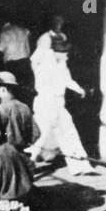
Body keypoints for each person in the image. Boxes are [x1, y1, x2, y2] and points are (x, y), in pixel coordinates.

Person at [29, 33, 89, 167]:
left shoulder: (62, 64)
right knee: (40, 136)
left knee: (69, 132)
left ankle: (81, 165)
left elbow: (67, 80)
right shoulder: (43, 64)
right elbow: (34, 59)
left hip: (58, 104)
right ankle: (26, 162)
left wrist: (79, 89)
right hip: (45, 103)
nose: (67, 56)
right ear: (56, 52)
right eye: (64, 53)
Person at [0, 71, 39, 151]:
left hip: (7, 152)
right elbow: (36, 133)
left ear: (3, 89)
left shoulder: (2, 108)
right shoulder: (24, 106)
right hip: (22, 152)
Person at [0, 19, 33, 93]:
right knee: (24, 90)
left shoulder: (5, 32)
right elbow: (28, 49)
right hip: (25, 63)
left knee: (12, 90)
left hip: (12, 65)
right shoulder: (23, 30)